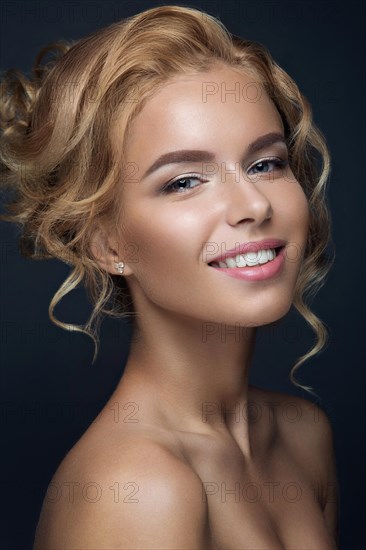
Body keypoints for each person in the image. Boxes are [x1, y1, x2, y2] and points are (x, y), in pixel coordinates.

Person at [0, 5, 338, 549]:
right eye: (184, 181)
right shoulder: (136, 489)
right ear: (107, 244)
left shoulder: (302, 436)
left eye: (265, 164)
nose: (252, 203)